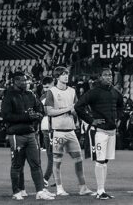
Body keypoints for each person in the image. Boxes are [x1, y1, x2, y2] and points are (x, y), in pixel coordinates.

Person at [74, 67, 125, 200]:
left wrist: (118, 118)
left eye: (111, 75)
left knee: (105, 161)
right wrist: (91, 121)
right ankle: (100, 191)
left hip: (112, 131)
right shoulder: (94, 92)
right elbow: (78, 106)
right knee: (100, 160)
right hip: (99, 131)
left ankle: (102, 190)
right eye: (106, 75)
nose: (109, 77)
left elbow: (121, 106)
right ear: (100, 77)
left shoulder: (115, 92)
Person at [2, 72, 53, 201]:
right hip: (16, 134)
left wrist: (38, 117)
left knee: (36, 163)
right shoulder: (8, 96)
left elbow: (40, 109)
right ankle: (17, 191)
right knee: (17, 165)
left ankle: (40, 191)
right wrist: (28, 117)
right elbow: (6, 116)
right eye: (24, 81)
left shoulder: (31, 94)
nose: (26, 83)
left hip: (31, 133)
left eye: (26, 81)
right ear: (16, 81)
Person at [44, 67, 93, 197]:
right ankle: (59, 188)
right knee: (57, 161)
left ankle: (83, 187)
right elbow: (49, 111)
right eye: (63, 74)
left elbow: (75, 108)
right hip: (58, 131)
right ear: (57, 77)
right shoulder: (52, 92)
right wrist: (66, 109)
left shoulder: (72, 91)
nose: (66, 76)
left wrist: (75, 112)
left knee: (78, 159)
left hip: (71, 131)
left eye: (67, 74)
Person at [39, 76, 55, 190]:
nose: (45, 89)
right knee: (52, 156)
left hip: (51, 127)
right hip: (48, 128)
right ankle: (44, 179)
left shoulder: (47, 95)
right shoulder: (45, 97)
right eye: (44, 87)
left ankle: (57, 179)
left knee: (55, 155)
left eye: (47, 87)